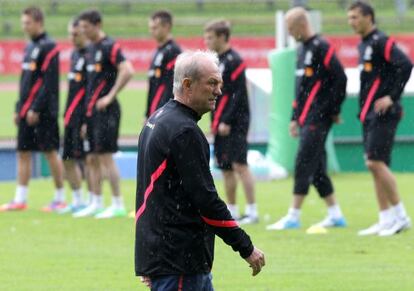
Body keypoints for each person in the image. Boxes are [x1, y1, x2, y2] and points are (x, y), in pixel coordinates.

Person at [135, 50, 265, 290]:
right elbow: (205, 201)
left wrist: (149, 257)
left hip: (168, 259)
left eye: (220, 84)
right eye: (212, 83)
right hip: (180, 262)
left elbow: (148, 196)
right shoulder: (184, 131)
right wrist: (245, 247)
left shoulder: (157, 120)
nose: (218, 91)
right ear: (187, 85)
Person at [266, 7, 348, 230]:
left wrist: (333, 109)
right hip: (306, 118)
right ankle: (336, 214)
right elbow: (301, 90)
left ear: (302, 25)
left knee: (303, 161)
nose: (290, 33)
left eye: (291, 28)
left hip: (319, 118)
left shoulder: (322, 47)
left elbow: (340, 78)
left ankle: (293, 215)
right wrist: (294, 117)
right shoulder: (302, 51)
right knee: (317, 167)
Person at [348, 1, 412, 236]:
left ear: (368, 17)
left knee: (374, 162)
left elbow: (406, 64)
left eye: (355, 17)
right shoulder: (364, 44)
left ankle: (401, 216)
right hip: (369, 114)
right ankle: (385, 218)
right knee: (376, 166)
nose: (351, 22)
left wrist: (391, 97)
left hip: (384, 113)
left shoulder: (380, 41)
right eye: (349, 18)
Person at [1, 6, 65, 212]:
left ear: (39, 22)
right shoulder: (29, 48)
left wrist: (36, 108)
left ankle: (59, 198)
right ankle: (20, 199)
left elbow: (48, 83)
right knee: (23, 152)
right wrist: (18, 107)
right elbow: (25, 82)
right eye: (23, 23)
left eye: (27, 23)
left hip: (44, 112)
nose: (24, 26)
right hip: (25, 110)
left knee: (50, 152)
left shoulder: (50, 47)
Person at [73, 9, 134, 218]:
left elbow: (128, 70)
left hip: (107, 111)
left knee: (106, 157)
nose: (83, 31)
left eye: (86, 27)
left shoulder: (110, 46)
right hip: (92, 114)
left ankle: (117, 204)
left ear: (97, 24)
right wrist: (85, 119)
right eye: (81, 28)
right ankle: (96, 201)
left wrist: (110, 95)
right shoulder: (90, 49)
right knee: (92, 158)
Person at [204, 20, 258, 224]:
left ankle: (252, 211)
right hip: (219, 121)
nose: (206, 41)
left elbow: (236, 94)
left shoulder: (235, 60)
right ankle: (233, 210)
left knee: (240, 165)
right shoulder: (216, 62)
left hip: (236, 121)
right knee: (225, 167)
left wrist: (226, 120)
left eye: (210, 37)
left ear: (222, 37)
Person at [59, 18, 90, 214]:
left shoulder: (90, 55)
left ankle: (93, 199)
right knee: (67, 158)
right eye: (70, 33)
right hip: (69, 116)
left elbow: (89, 90)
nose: (72, 37)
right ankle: (77, 199)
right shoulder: (74, 55)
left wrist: (86, 118)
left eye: (76, 33)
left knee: (87, 160)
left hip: (82, 117)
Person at [145, 10, 182, 119]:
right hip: (156, 112)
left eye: (155, 28)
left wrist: (160, 112)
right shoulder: (159, 51)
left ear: (167, 27)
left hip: (164, 114)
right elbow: (153, 86)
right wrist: (148, 113)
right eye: (151, 28)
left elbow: (171, 86)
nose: (151, 31)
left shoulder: (173, 51)